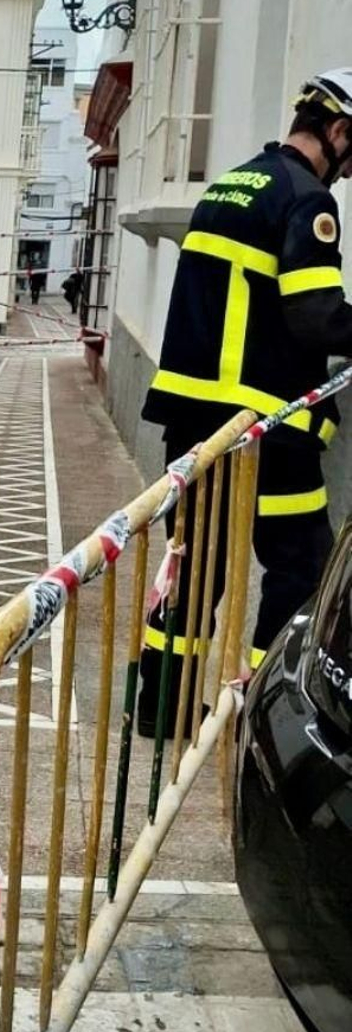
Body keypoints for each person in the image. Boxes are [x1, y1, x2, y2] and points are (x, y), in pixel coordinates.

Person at [137, 70, 352, 736]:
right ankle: (261, 712)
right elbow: (316, 315)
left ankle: (163, 707)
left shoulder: (233, 184)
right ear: (339, 131)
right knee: (300, 567)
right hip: (265, 432)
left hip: (194, 422)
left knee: (193, 567)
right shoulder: (308, 199)